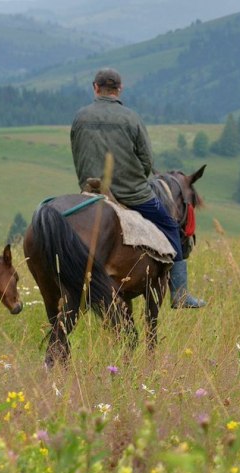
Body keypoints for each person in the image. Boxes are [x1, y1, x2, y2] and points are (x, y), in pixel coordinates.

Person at [70, 68, 206, 309]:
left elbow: (77, 153)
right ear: (119, 89)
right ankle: (180, 294)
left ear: (95, 87)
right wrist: (135, 182)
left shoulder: (80, 117)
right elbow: (147, 162)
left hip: (91, 193)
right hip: (133, 195)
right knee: (171, 228)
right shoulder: (131, 118)